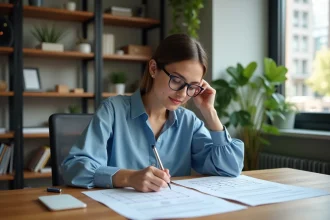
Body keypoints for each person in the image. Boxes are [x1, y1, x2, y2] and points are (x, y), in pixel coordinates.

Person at [62, 34, 244, 192]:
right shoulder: (113, 110)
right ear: (153, 69)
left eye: (192, 86)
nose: (182, 93)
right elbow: (75, 168)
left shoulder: (189, 122)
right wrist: (128, 178)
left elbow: (231, 168)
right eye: (177, 79)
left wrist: (209, 112)